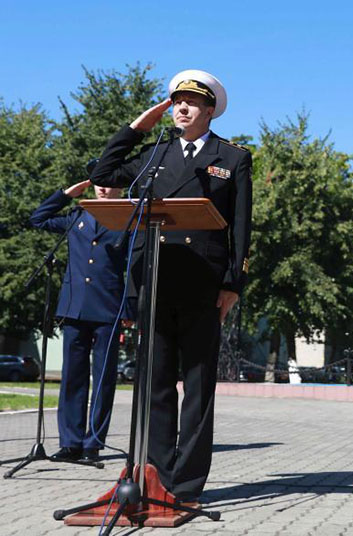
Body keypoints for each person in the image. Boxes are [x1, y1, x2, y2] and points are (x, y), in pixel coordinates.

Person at [90, 69, 253, 501]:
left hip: (203, 282)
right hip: (156, 279)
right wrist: (137, 126)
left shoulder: (232, 158)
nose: (181, 108)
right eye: (176, 101)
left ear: (210, 110)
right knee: (156, 383)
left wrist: (233, 284)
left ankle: (187, 484)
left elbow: (241, 226)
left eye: (192, 102)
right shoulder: (155, 153)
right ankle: (159, 478)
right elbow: (102, 173)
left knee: (198, 386)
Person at [30, 169, 128, 462]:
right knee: (72, 378)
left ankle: (92, 444)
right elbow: (38, 219)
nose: (103, 189)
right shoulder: (76, 216)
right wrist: (66, 194)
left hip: (108, 309)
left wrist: (131, 309)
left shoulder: (127, 219)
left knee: (102, 380)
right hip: (74, 309)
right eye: (99, 184)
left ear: (120, 188)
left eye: (110, 184)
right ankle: (70, 443)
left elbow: (136, 266)